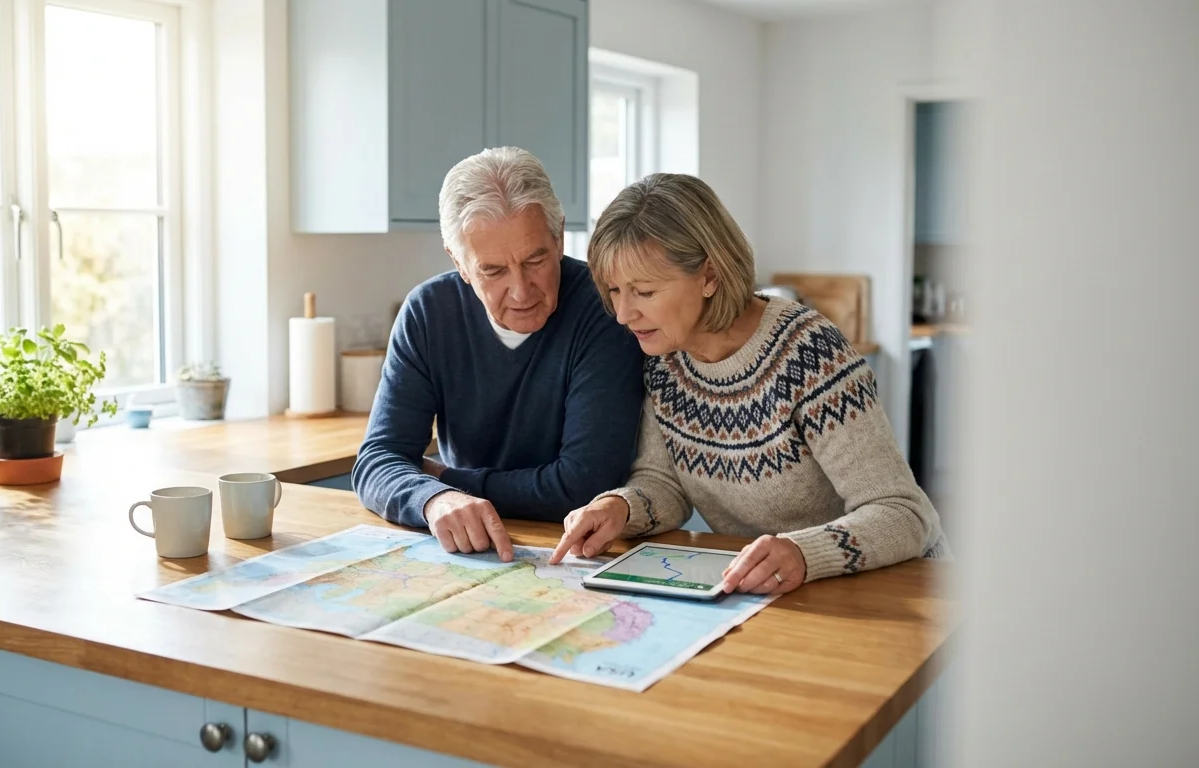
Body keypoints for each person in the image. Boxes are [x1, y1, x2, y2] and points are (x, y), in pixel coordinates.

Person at [550, 173, 949, 593]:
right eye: (614, 290)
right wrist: (619, 508)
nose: (623, 313)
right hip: (785, 592)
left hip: (900, 590)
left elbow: (903, 512)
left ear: (710, 275)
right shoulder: (665, 358)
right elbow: (664, 485)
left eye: (644, 292)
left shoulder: (808, 353)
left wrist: (801, 553)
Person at [353, 147, 644, 561]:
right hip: (470, 549)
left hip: (583, 550)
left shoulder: (603, 308)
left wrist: (449, 480)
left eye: (536, 259)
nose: (522, 291)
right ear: (459, 262)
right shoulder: (427, 312)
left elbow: (583, 484)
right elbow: (377, 461)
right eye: (493, 271)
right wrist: (435, 500)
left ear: (559, 236)